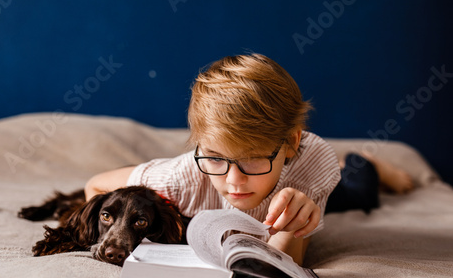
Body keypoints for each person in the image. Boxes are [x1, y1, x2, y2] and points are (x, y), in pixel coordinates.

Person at [85, 53, 413, 265]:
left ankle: (367, 163)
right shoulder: (180, 177)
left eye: (253, 159)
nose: (234, 181)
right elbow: (96, 185)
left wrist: (294, 219)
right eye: (216, 158)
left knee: (356, 195)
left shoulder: (309, 164)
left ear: (289, 143)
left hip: (296, 178)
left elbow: (287, 261)